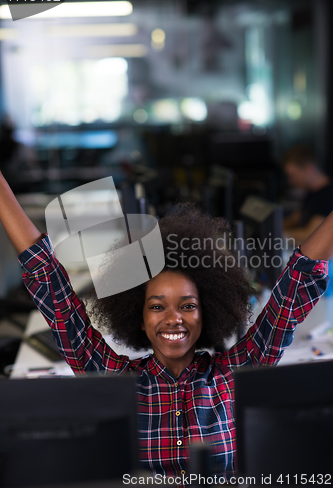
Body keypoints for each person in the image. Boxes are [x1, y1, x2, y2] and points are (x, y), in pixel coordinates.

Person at [0, 170, 330, 482]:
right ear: (139, 319)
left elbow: (297, 283)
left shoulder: (235, 374)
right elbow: (52, 290)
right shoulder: (117, 381)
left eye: (188, 306)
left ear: (208, 314)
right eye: (157, 306)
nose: (174, 317)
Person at [282, 145, 333, 244]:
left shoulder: (329, 195)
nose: (290, 181)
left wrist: (278, 234)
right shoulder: (312, 192)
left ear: (308, 169)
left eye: (293, 175)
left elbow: (311, 234)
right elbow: (295, 218)